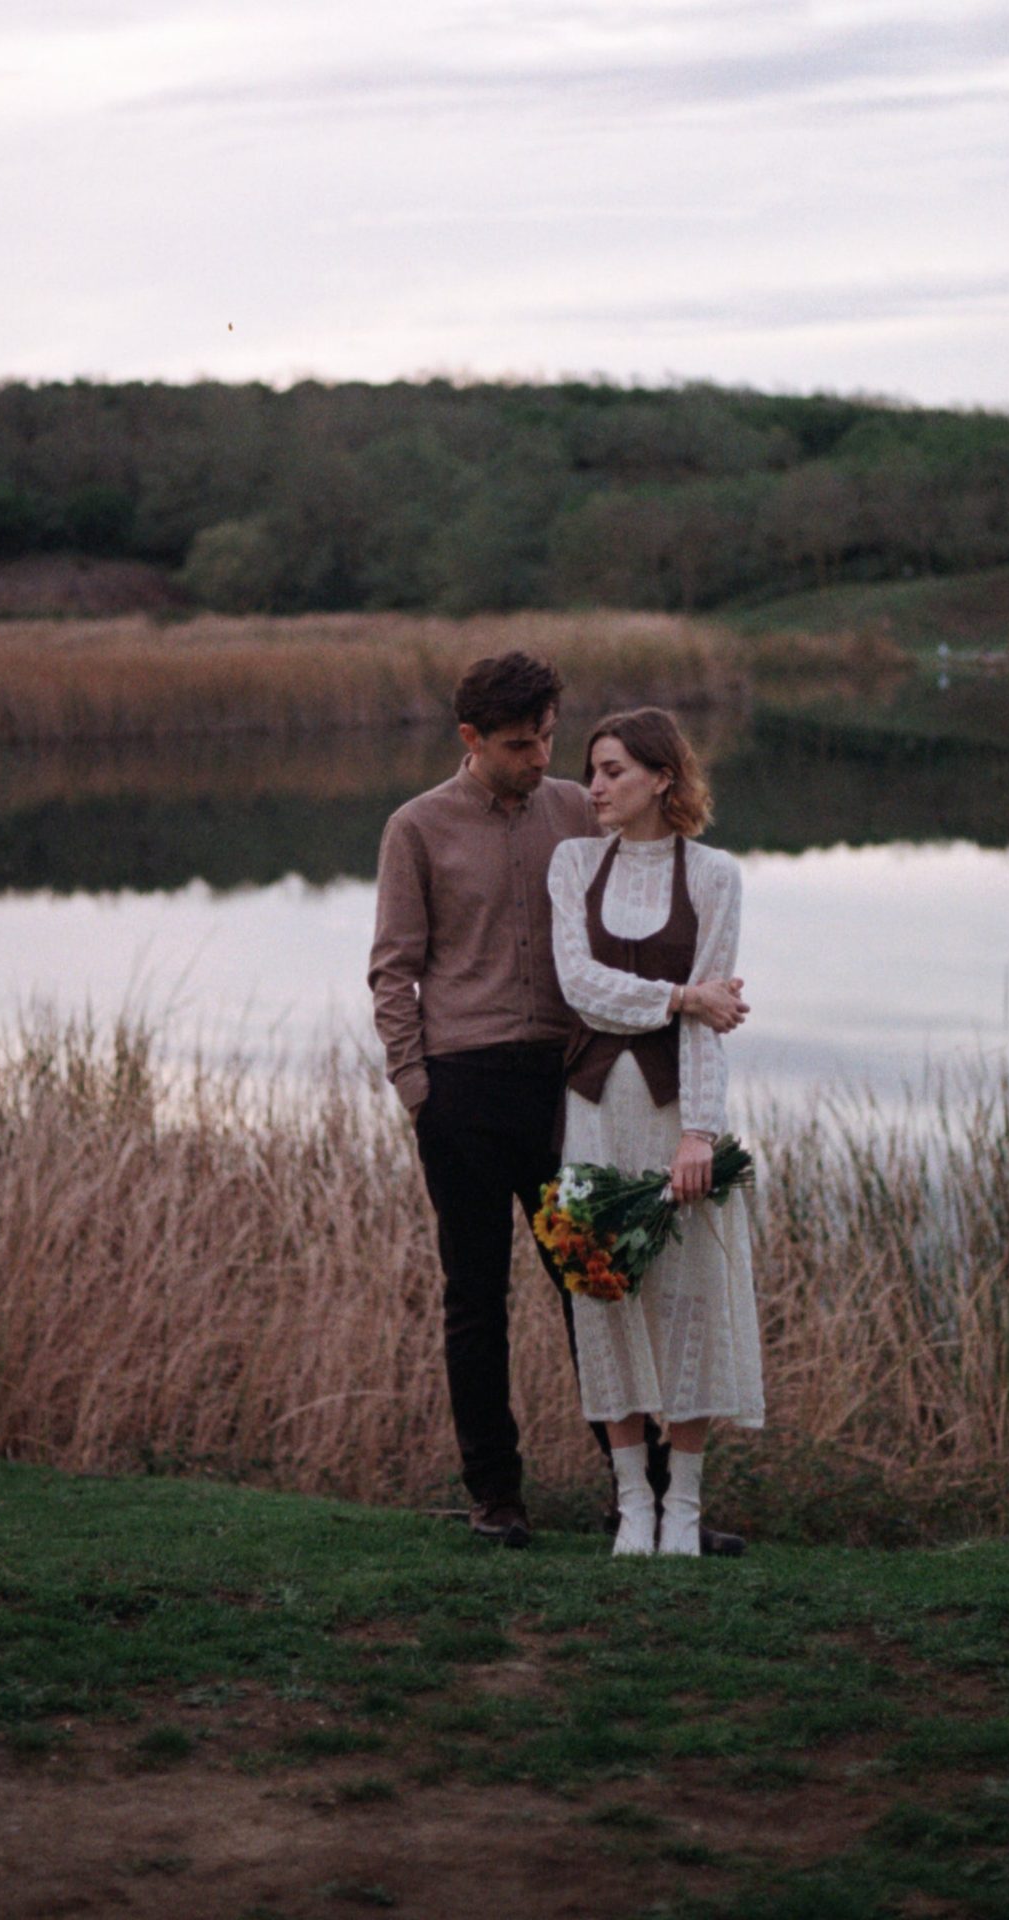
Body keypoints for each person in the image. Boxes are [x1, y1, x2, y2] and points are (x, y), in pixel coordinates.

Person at [368, 650, 595, 1546]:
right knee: (476, 1300)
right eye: (518, 744)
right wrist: (417, 1089)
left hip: (564, 1089)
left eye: (547, 737)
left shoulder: (581, 809)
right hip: (461, 1092)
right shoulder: (415, 828)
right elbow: (394, 970)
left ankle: (642, 1495)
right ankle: (495, 1499)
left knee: (594, 1286)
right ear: (470, 739)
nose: (540, 757)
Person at [548, 707, 763, 1557]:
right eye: (591, 770)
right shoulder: (572, 863)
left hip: (678, 1112)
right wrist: (679, 997)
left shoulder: (714, 876)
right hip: (594, 1113)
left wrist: (700, 1135)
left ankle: (684, 1507)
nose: (593, 787)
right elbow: (580, 986)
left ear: (662, 779)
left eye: (612, 772)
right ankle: (632, 1501)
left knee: (691, 1299)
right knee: (605, 1294)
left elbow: (714, 1024)